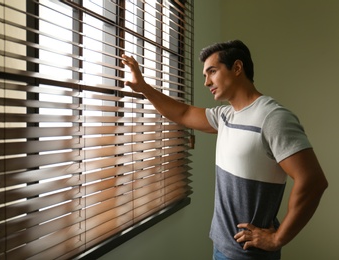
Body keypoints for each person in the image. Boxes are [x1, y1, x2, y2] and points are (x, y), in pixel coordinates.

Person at [121, 40, 328, 260]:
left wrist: (277, 239)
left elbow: (313, 181)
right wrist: (142, 87)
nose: (206, 82)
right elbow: (182, 114)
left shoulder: (273, 118)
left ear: (237, 68)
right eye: (204, 75)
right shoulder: (225, 116)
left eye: (212, 71)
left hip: (249, 254)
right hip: (221, 244)